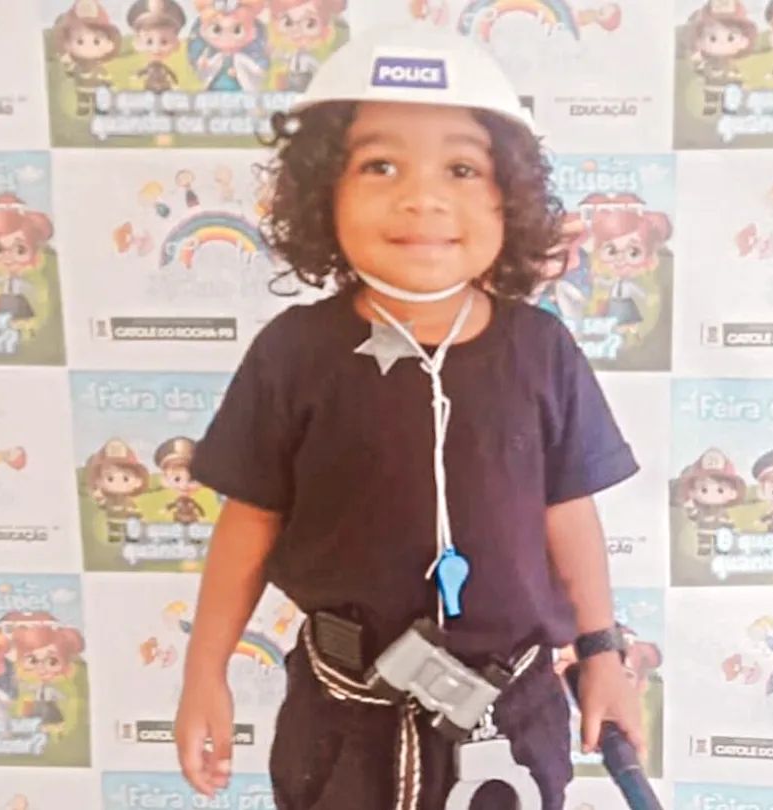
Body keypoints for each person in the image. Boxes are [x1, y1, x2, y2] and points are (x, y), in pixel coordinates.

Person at [173, 24, 643, 810]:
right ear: (323, 190)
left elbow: (569, 511)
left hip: (511, 720)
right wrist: (204, 671)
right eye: (380, 165)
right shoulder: (294, 352)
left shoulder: (541, 349)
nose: (423, 197)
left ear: (510, 195)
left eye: (462, 168)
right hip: (343, 720)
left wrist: (602, 652)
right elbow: (249, 519)